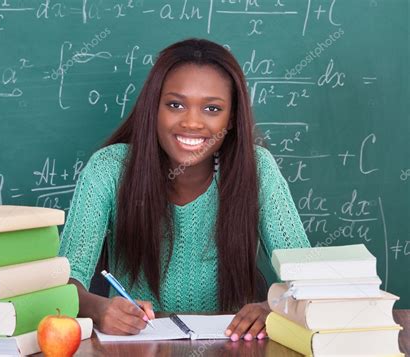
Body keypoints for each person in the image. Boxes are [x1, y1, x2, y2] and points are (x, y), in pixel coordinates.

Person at [59, 38, 310, 341]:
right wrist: (99, 309)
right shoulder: (109, 169)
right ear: (154, 108)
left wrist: (273, 308)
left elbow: (308, 279)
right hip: (136, 347)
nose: (192, 122)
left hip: (231, 346)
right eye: (175, 105)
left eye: (212, 108)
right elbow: (66, 283)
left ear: (230, 119)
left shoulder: (257, 168)